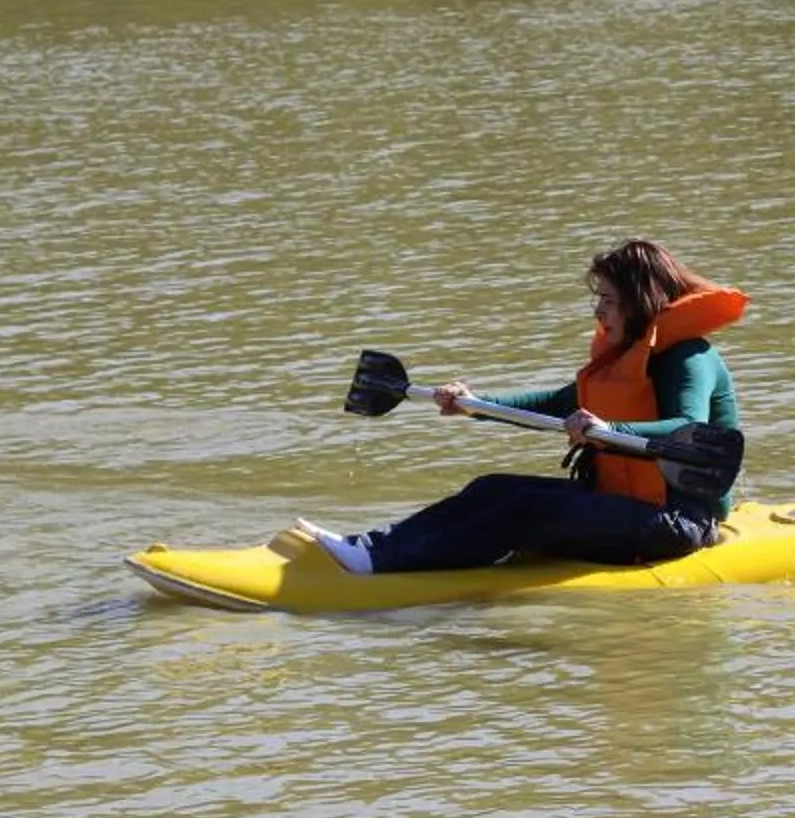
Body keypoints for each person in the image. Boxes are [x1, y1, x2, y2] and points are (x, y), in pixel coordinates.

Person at [293, 238, 745, 576]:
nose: (599, 311)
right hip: (624, 504)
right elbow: (558, 403)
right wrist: (473, 404)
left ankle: (386, 567)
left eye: (608, 300)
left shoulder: (689, 358)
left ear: (640, 302)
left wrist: (610, 426)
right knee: (492, 488)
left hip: (679, 522)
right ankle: (371, 548)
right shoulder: (624, 357)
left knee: (527, 511)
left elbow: (689, 427)